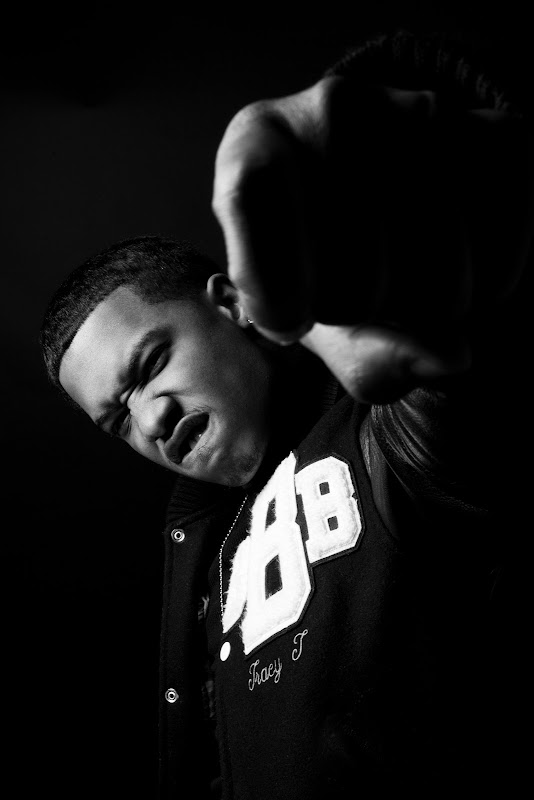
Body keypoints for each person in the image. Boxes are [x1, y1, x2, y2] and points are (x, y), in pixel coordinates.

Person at [40, 29, 532, 799]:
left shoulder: (386, 422)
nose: (150, 420)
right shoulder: (210, 563)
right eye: (118, 419)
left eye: (150, 365)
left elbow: (465, 289)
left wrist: (371, 137)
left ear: (232, 305)